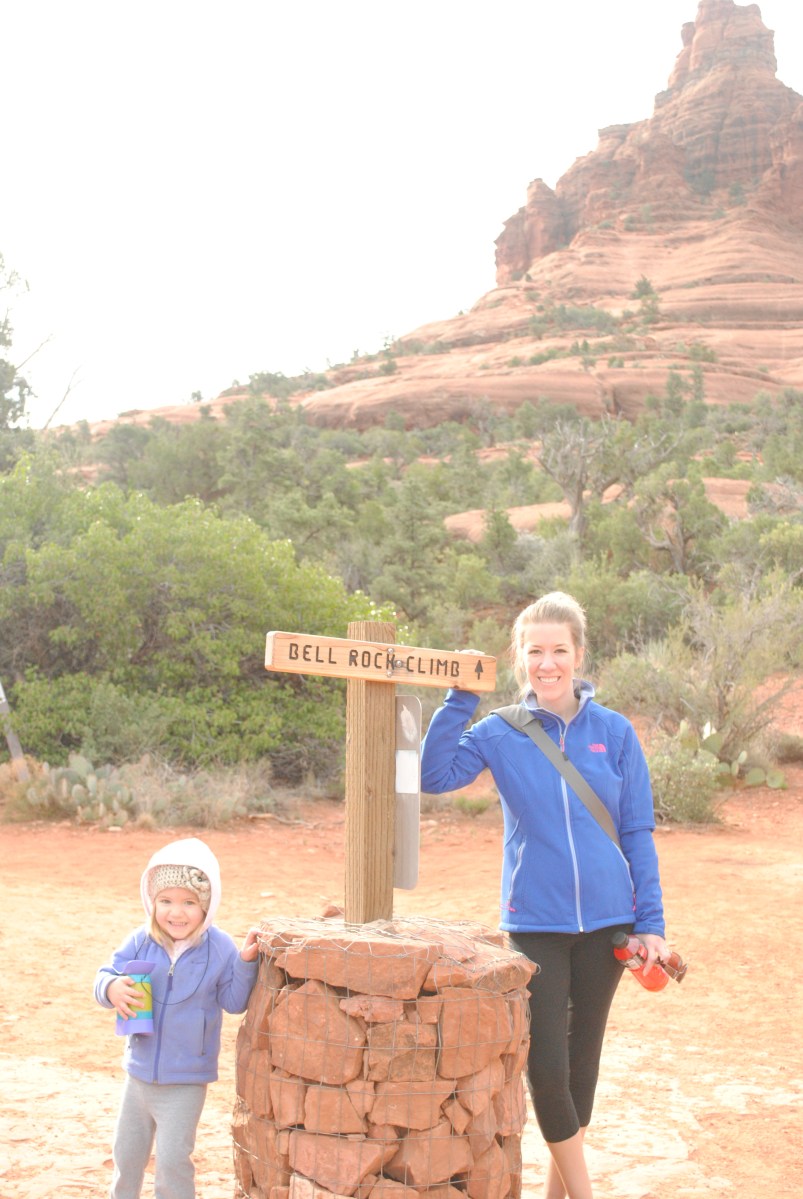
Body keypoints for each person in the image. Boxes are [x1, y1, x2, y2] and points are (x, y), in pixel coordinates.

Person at [420, 591, 671, 1199]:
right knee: (546, 1069)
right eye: (536, 651)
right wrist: (460, 698)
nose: (548, 663)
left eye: (559, 650)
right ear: (519, 657)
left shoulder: (614, 731)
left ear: (578, 655)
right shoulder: (501, 731)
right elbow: (434, 776)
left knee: (581, 1068)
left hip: (611, 924)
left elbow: (636, 830)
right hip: (534, 921)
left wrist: (652, 922)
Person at [94, 836, 260, 1199]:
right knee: (126, 1156)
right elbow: (106, 973)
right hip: (137, 1076)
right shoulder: (140, 940)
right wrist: (110, 989)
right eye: (165, 901)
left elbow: (233, 1002)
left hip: (185, 1082)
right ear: (151, 903)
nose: (176, 912)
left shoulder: (220, 948)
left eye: (189, 902)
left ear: (207, 904)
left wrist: (246, 964)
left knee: (172, 1163)